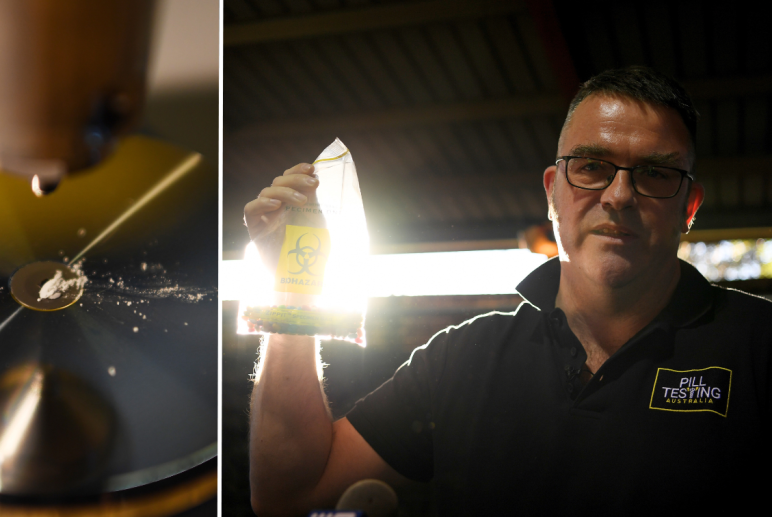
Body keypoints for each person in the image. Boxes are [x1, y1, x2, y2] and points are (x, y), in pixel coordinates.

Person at [243, 66, 772, 516]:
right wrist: (294, 288)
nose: (619, 195)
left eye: (656, 173)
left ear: (690, 206)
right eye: (591, 167)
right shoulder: (460, 359)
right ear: (552, 193)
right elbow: (289, 493)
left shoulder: (758, 346)